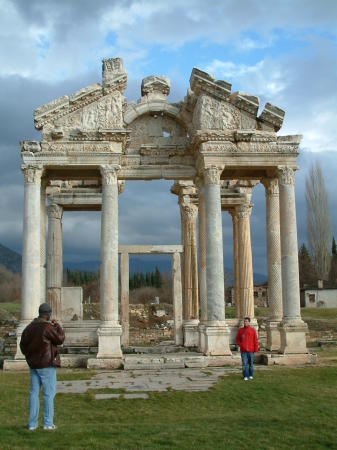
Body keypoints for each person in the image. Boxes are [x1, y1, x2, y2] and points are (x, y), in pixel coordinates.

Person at [20, 303, 65, 431]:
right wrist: (58, 326)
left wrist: (29, 356)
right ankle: (48, 423)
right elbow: (60, 339)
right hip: (46, 364)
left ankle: (32, 424)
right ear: (48, 314)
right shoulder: (47, 327)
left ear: (39, 313)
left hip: (33, 364)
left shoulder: (29, 328)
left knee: (33, 393)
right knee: (48, 394)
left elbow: (22, 345)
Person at [236, 316, 258, 381]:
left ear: (249, 322)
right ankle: (245, 375)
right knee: (244, 364)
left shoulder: (252, 330)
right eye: (244, 321)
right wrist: (241, 345)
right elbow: (237, 339)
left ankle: (250, 375)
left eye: (247, 321)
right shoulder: (241, 330)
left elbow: (255, 340)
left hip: (251, 350)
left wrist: (256, 349)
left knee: (251, 364)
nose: (245, 322)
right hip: (243, 350)